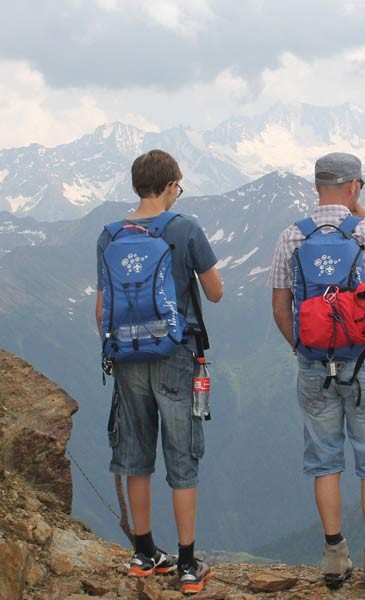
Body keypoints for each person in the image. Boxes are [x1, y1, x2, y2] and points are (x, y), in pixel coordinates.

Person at [269, 152, 365, 593]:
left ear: (317, 187)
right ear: (353, 187)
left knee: (324, 460)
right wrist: (363, 215)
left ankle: (333, 558)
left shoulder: (291, 236)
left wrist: (303, 349)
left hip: (313, 365)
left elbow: (280, 306)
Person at [95, 150, 223, 594]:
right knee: (181, 456)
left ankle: (143, 553)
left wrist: (125, 342)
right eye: (178, 187)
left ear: (136, 187)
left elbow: (102, 310)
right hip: (176, 355)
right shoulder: (183, 228)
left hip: (128, 355)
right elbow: (216, 291)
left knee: (135, 456)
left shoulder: (110, 236)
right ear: (170, 186)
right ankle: (188, 564)